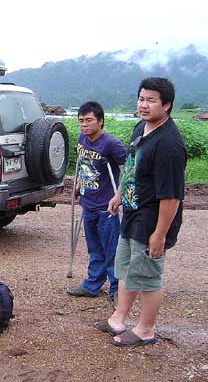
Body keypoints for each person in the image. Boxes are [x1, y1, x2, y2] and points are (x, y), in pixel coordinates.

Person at [95, 77, 186, 347]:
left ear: (167, 105)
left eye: (151, 100)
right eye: (141, 98)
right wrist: (119, 195)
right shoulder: (141, 128)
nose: (143, 105)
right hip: (133, 213)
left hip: (152, 220)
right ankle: (118, 319)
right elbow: (132, 167)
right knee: (125, 268)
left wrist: (160, 234)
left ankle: (145, 330)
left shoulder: (169, 145)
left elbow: (172, 196)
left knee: (148, 275)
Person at [67, 101, 127, 304]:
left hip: (106, 206)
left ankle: (116, 290)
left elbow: (129, 168)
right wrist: (77, 183)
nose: (84, 125)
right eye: (81, 121)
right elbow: (82, 165)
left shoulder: (111, 144)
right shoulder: (82, 139)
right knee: (94, 248)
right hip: (88, 202)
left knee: (112, 250)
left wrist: (119, 195)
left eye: (89, 120)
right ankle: (92, 285)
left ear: (100, 121)